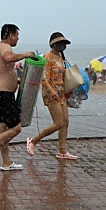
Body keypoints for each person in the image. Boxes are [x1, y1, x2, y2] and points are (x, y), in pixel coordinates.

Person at [0, 24, 35, 171]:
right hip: (3, 96)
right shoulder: (5, 47)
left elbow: (3, 71)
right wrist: (26, 54)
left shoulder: (0, 47)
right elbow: (8, 57)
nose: (17, 38)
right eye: (16, 35)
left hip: (0, 94)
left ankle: (6, 162)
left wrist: (16, 81)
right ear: (11, 35)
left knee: (3, 130)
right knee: (16, 128)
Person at [26, 32, 77, 160]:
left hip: (61, 93)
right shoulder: (47, 57)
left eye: (63, 44)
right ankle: (33, 141)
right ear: (53, 44)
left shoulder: (60, 56)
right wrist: (52, 91)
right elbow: (44, 79)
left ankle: (62, 151)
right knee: (58, 123)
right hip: (51, 94)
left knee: (65, 122)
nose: (62, 46)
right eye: (59, 44)